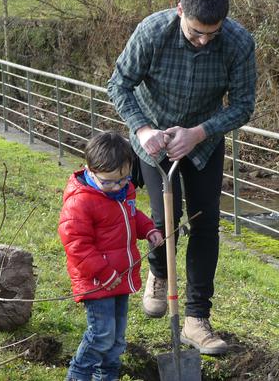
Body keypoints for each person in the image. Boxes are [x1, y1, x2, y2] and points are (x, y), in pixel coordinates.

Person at [107, 0, 256, 355]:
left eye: (212, 34)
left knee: (205, 223)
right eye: (196, 33)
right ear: (180, 12)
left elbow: (243, 105)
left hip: (203, 140)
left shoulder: (238, 43)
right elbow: (119, 84)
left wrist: (200, 132)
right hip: (154, 136)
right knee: (163, 220)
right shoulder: (153, 31)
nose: (204, 40)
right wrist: (142, 129)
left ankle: (196, 319)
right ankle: (159, 274)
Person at [58, 132, 164, 381]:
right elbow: (77, 245)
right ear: (90, 171)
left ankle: (107, 376)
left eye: (124, 179)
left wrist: (148, 229)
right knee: (101, 334)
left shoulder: (123, 191)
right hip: (97, 281)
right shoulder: (81, 203)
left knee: (117, 337)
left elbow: (131, 217)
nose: (117, 186)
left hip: (120, 278)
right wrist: (104, 273)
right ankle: (78, 375)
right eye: (109, 182)